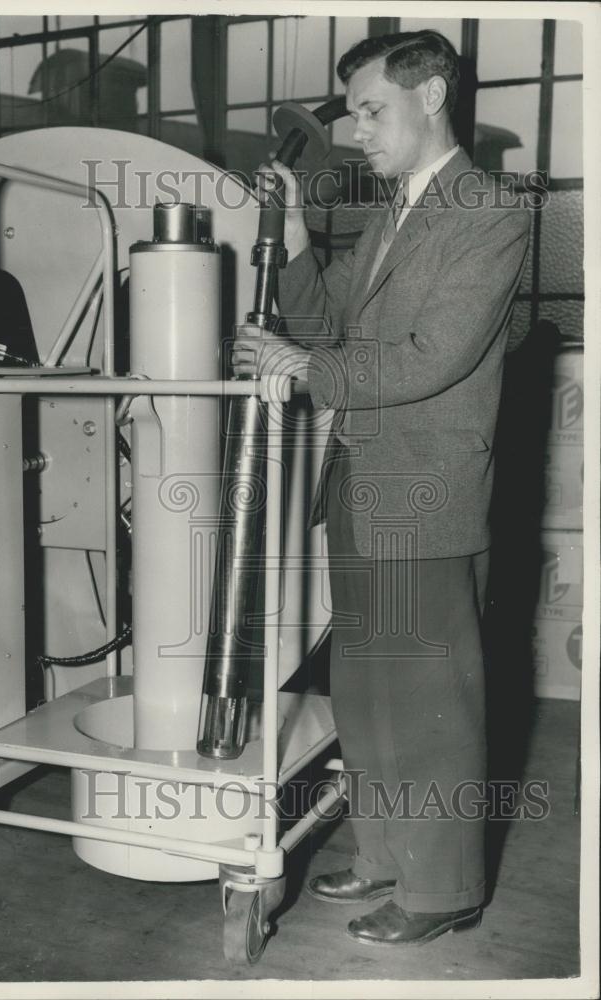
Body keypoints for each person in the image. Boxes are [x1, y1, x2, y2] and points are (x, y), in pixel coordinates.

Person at [233, 29, 530, 946]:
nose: (356, 132)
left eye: (372, 110)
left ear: (432, 94)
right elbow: (327, 322)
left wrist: (304, 370)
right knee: (367, 690)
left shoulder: (489, 208)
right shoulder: (392, 211)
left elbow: (432, 357)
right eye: (354, 113)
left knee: (432, 700)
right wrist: (286, 231)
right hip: (360, 482)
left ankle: (443, 891)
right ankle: (388, 857)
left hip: (425, 493)